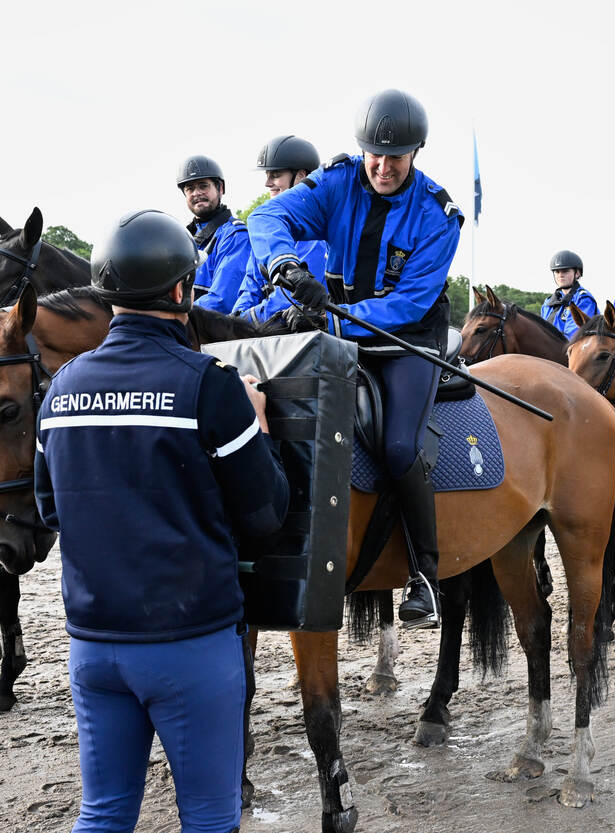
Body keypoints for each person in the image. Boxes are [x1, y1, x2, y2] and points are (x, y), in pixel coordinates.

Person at [33, 209, 290, 833]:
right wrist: (255, 427)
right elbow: (265, 516)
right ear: (181, 292)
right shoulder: (210, 383)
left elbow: (49, 510)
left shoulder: (61, 387)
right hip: (190, 645)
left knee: (102, 814)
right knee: (207, 817)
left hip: (92, 646)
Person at [249, 89, 462, 629]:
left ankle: (425, 577)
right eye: (374, 153)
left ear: (418, 152)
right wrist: (286, 264)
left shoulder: (439, 215)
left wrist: (334, 320)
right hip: (338, 327)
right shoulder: (338, 181)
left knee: (396, 446)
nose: (383, 167)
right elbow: (268, 218)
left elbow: (409, 301)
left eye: (396, 157)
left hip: (406, 340)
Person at [232, 136, 330, 326]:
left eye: (275, 175)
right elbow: (250, 287)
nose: (267, 183)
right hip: (268, 331)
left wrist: (246, 321)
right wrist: (235, 318)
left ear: (301, 176)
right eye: (267, 175)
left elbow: (291, 297)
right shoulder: (264, 233)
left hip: (302, 331)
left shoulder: (315, 236)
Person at [177, 154, 252, 314]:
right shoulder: (182, 238)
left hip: (210, 332)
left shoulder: (235, 235)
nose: (196, 193)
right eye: (190, 188)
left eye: (203, 186)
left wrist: (175, 316)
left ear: (220, 188)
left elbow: (223, 301)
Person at [540, 250, 598, 338]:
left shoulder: (583, 299)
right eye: (557, 272)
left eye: (565, 271)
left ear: (577, 273)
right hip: (548, 347)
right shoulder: (548, 303)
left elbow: (573, 336)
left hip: (572, 349)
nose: (560, 275)